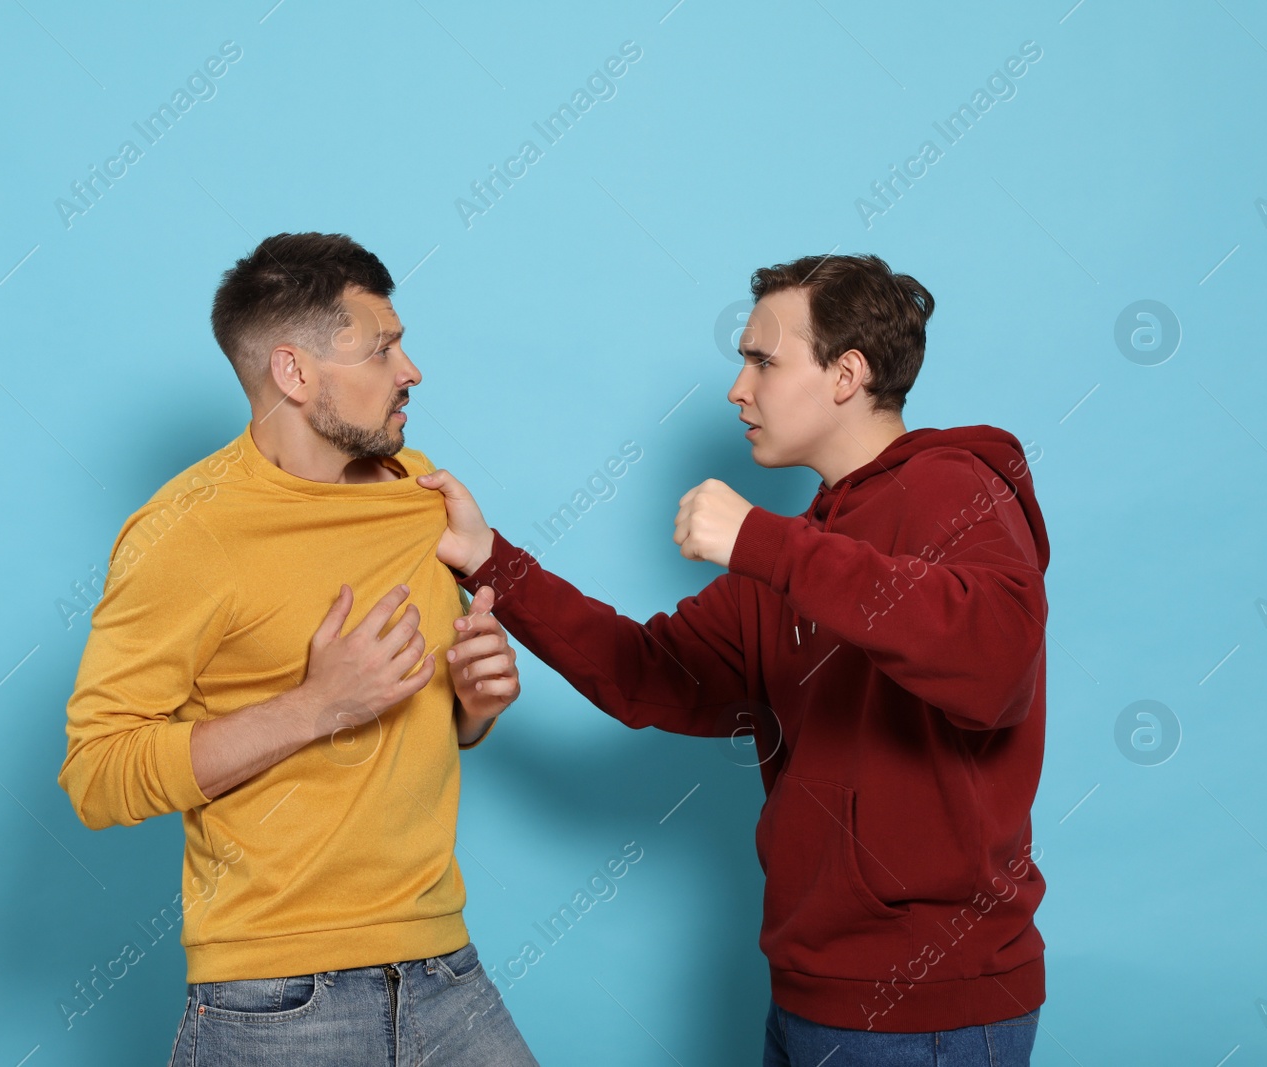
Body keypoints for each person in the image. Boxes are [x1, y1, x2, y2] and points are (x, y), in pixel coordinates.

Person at [417, 253, 1050, 1066]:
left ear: (846, 374)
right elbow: (645, 672)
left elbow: (993, 660)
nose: (736, 389)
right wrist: (489, 559)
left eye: (763, 360)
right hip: (809, 994)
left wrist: (761, 540)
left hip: (931, 1010)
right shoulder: (795, 552)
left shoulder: (952, 487)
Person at [57, 232, 538, 1065]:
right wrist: (316, 705)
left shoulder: (415, 492)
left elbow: (420, 721)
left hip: (443, 968)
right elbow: (97, 774)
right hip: (277, 997)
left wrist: (473, 705)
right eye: (382, 348)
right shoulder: (186, 533)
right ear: (294, 371)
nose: (410, 369)